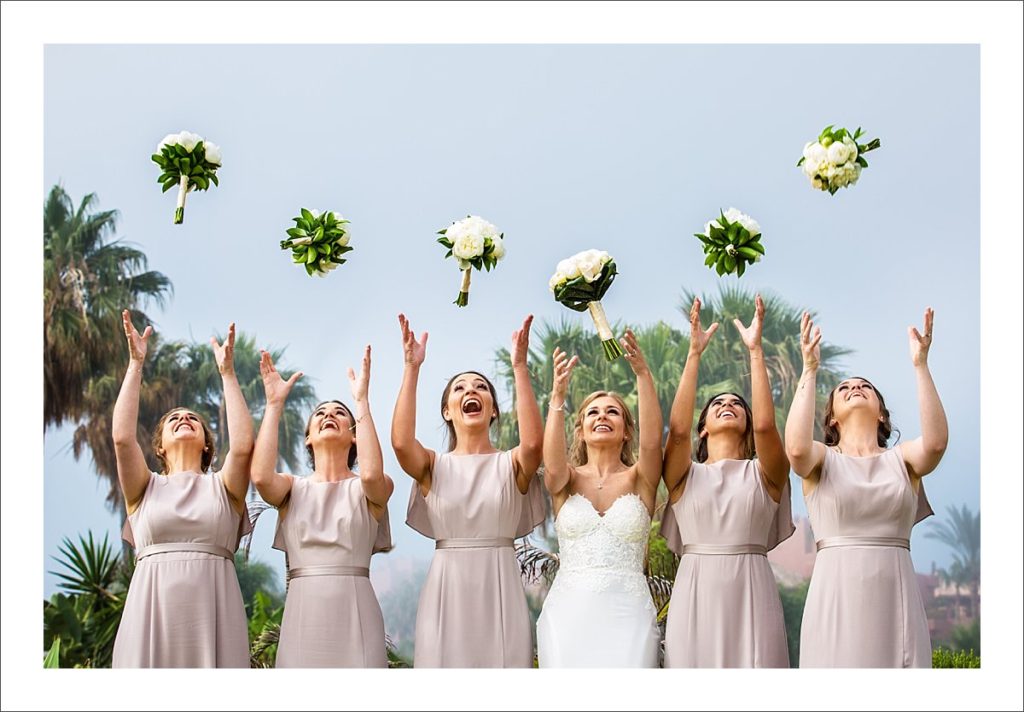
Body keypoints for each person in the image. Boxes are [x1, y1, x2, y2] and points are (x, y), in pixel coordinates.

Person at [786, 308, 946, 668]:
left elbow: (935, 445)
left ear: (881, 415)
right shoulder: (821, 460)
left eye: (865, 387)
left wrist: (921, 365)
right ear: (832, 418)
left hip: (895, 594)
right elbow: (795, 449)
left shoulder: (903, 460)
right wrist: (809, 370)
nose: (855, 387)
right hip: (835, 593)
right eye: (844, 387)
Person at [392, 313, 545, 668]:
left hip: (500, 588)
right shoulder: (434, 466)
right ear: (448, 411)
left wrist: (519, 367)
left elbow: (534, 444)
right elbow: (401, 443)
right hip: (447, 588)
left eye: (480, 387)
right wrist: (411, 368)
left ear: (493, 410)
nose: (471, 391)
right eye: (460, 388)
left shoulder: (511, 464)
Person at [111, 310, 253, 668]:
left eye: (192, 418)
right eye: (174, 418)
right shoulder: (144, 488)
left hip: (215, 611)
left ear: (207, 444)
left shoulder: (224, 487)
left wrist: (227, 373)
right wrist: (135, 365)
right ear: (159, 447)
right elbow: (122, 438)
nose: (184, 419)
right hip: (150, 611)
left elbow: (244, 447)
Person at [659, 295, 794, 667]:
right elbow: (678, 431)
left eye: (737, 404)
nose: (728, 404)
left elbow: (768, 426)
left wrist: (755, 350)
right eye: (717, 404)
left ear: (748, 424)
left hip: (752, 587)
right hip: (696, 588)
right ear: (704, 429)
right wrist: (694, 354)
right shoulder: (685, 476)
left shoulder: (766, 473)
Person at [251, 346, 393, 668]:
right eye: (321, 413)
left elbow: (370, 473)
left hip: (357, 607)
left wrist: (361, 403)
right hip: (304, 609)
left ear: (354, 436)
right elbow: (260, 477)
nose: (329, 415)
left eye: (339, 413)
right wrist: (274, 405)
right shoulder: (292, 487)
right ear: (307, 439)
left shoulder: (370, 487)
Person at [535, 329, 662, 668]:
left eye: (612, 412)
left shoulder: (640, 478)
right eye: (592, 413)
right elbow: (552, 464)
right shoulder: (567, 480)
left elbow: (652, 444)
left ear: (626, 431)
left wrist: (642, 374)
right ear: (580, 430)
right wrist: (558, 396)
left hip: (630, 615)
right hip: (567, 617)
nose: (602, 416)